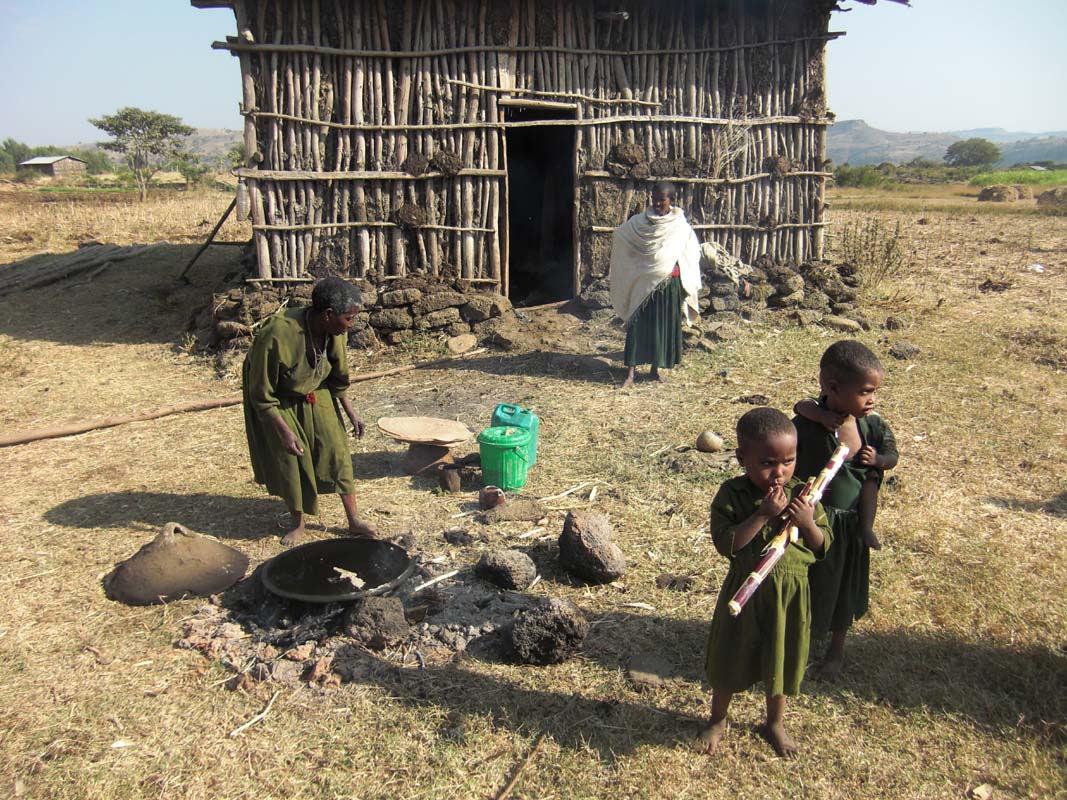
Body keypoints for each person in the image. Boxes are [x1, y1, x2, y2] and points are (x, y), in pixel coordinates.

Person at [697, 408, 831, 758]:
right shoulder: (733, 494)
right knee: (729, 657)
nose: (780, 472)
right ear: (742, 458)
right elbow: (728, 544)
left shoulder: (806, 494)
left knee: (781, 658)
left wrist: (807, 521)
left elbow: (822, 546)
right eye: (769, 462)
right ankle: (718, 718)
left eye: (789, 461)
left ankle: (774, 722)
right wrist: (762, 515)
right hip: (744, 595)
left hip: (790, 595)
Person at [242, 276, 378, 545]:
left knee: (336, 449)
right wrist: (283, 432)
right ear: (329, 314)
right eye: (349, 318)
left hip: (317, 388)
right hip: (279, 400)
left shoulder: (334, 332)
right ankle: (297, 522)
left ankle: (353, 520)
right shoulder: (276, 335)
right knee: (292, 458)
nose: (352, 324)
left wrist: (351, 412)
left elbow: (338, 376)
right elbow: (261, 394)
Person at [792, 340, 897, 680]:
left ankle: (836, 651)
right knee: (806, 584)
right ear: (833, 387)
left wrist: (879, 460)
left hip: (850, 526)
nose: (872, 400)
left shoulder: (873, 426)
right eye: (865, 391)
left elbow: (892, 456)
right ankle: (798, 645)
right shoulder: (808, 423)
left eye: (874, 392)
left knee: (843, 588)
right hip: (813, 522)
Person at [609, 181, 702, 389]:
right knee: (638, 326)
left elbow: (692, 253)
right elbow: (620, 235)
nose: (657, 203)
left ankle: (654, 370)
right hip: (643, 285)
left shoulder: (680, 226)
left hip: (670, 285)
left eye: (662, 199)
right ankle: (630, 375)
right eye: (655, 199)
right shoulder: (638, 222)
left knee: (662, 328)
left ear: (671, 200)